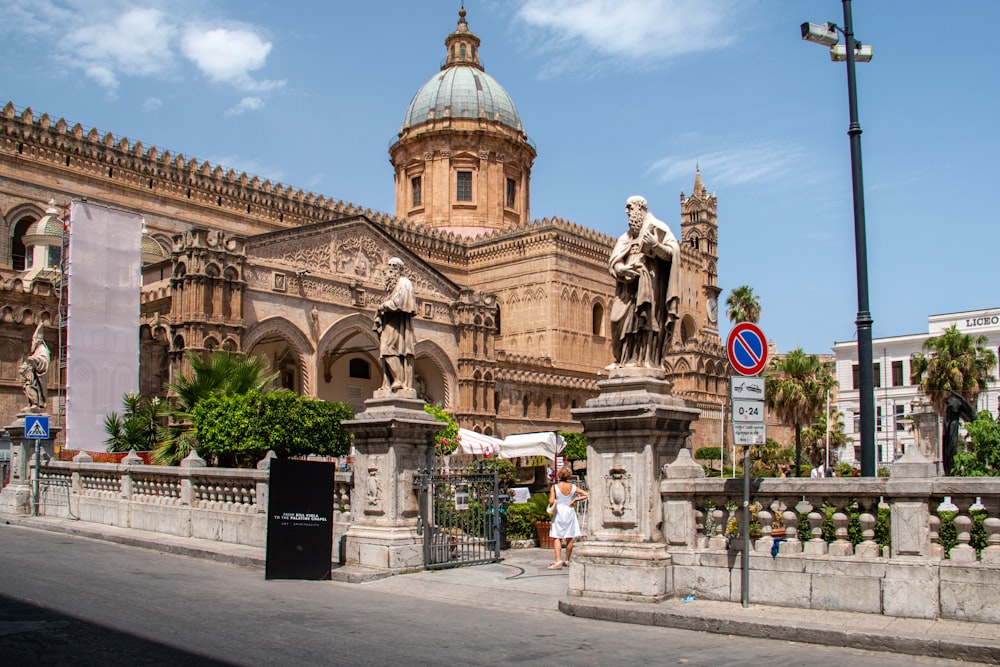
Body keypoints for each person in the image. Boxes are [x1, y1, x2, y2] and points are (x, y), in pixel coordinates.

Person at [608, 195, 681, 369]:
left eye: (630, 207)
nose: (627, 212)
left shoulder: (657, 228)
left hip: (651, 284)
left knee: (645, 320)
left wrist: (655, 245)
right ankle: (623, 359)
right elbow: (615, 261)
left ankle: (641, 359)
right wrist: (622, 269)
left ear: (640, 208)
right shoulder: (625, 237)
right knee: (616, 319)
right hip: (627, 287)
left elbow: (673, 254)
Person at [373, 257, 416, 392]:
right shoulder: (391, 286)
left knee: (388, 349)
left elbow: (400, 301)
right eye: (389, 265)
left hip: (397, 324)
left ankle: (398, 379)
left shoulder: (404, 282)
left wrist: (385, 305)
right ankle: (389, 381)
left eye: (394, 266)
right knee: (384, 351)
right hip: (389, 322)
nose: (390, 268)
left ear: (400, 269)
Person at [547, 467, 588, 570]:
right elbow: (586, 494)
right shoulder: (573, 487)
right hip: (569, 510)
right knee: (570, 537)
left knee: (557, 536)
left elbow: (551, 501)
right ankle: (567, 560)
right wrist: (575, 500)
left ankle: (558, 560)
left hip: (559, 512)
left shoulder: (555, 487)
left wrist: (554, 498)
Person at [19, 322, 50, 412]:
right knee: (28, 386)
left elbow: (44, 361)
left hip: (38, 376)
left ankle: (36, 403)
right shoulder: (37, 350)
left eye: (33, 341)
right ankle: (32, 403)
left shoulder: (43, 350)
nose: (32, 343)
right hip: (33, 375)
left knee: (32, 387)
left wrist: (35, 360)